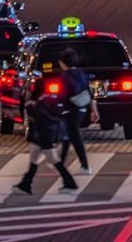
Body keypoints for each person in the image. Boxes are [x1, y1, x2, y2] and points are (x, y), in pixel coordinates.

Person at [13, 87, 77, 193]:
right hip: (43, 137)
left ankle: (70, 183)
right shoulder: (49, 102)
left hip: (43, 138)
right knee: (34, 160)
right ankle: (25, 184)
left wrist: (29, 107)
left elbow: (37, 118)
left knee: (54, 161)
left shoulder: (40, 105)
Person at [58, 47, 95, 175]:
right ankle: (61, 165)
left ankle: (85, 166)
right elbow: (88, 91)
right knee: (67, 137)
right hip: (82, 108)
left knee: (74, 137)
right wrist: (93, 110)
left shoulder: (65, 76)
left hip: (70, 109)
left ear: (63, 62)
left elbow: (62, 95)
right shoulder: (80, 73)